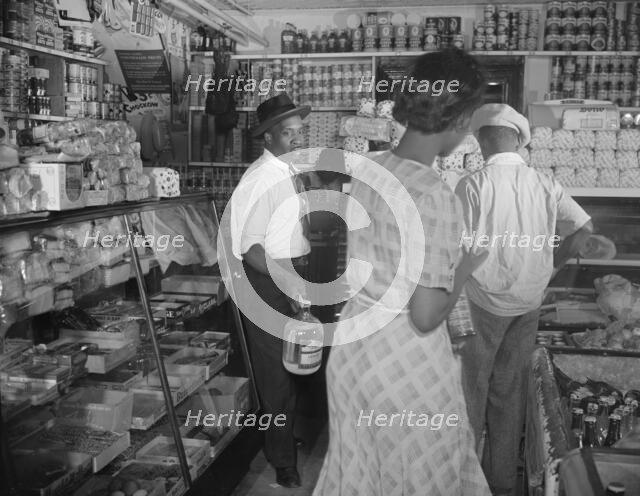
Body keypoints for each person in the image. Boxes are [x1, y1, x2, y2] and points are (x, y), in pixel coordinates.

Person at [313, 49, 491, 496]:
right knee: (423, 474)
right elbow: (426, 316)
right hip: (403, 363)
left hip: (352, 351)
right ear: (460, 118)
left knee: (358, 472)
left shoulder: (369, 168)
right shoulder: (435, 194)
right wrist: (466, 266)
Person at [454, 104, 593, 496]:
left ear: (481, 141)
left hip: (482, 303)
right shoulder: (545, 182)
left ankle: (466, 483)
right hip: (528, 303)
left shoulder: (472, 184)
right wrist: (549, 266)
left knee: (471, 394)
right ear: (518, 140)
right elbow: (584, 229)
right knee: (509, 392)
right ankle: (500, 484)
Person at [229, 93, 311, 488]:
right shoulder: (261, 179)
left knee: (294, 364)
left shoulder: (284, 171)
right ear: (268, 137)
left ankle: (283, 438)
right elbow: (250, 247)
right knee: (276, 374)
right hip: (267, 283)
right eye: (288, 133)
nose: (296, 139)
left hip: (288, 275)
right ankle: (282, 461)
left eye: (299, 131)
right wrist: (287, 281)